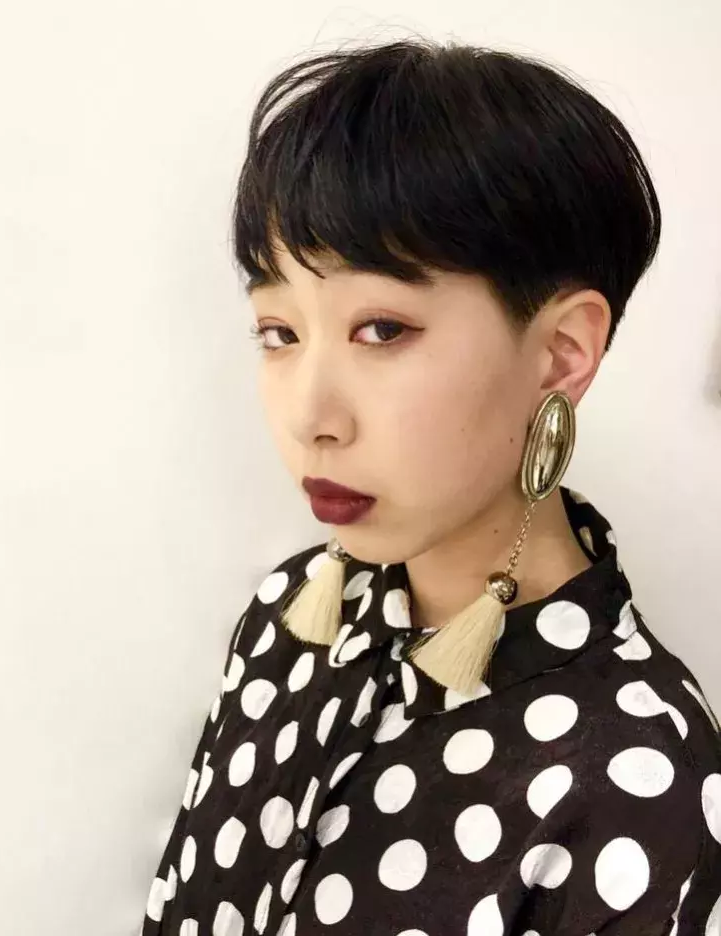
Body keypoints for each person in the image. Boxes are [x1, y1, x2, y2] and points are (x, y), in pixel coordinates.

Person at [140, 38, 721, 936]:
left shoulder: (645, 780)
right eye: (278, 332)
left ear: (562, 352)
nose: (311, 417)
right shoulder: (293, 615)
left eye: (381, 329)